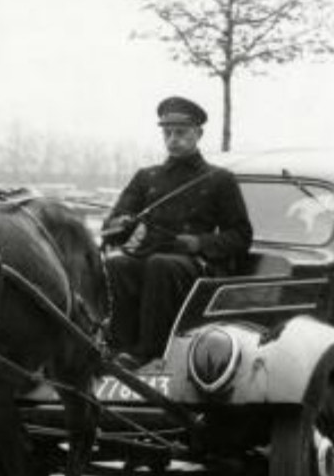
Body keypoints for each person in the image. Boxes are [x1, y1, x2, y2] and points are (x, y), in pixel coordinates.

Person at [102, 96, 253, 369]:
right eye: (167, 133)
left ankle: (150, 351)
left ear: (198, 134)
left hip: (194, 264)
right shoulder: (147, 177)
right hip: (150, 256)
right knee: (118, 265)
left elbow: (241, 236)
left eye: (181, 132)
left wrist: (198, 242)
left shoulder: (219, 180)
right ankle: (119, 347)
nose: (173, 139)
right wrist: (123, 223)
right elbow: (111, 227)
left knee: (161, 266)